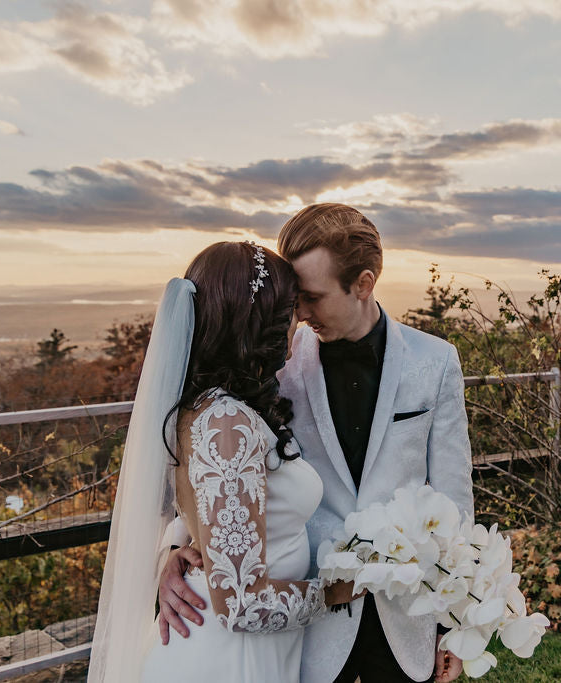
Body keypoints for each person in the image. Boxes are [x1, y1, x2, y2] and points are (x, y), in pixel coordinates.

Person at [159, 204, 474, 682]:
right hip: (303, 625)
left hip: (408, 614)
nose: (300, 314)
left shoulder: (436, 361)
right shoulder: (273, 363)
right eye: (294, 300)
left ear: (363, 284)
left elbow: (455, 498)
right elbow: (211, 468)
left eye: (311, 297)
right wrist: (176, 552)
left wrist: (455, 623)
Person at [88, 241, 357, 682]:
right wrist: (340, 589)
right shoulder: (227, 423)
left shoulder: (210, 406)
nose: (299, 320)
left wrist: (177, 550)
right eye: (289, 308)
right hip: (230, 658)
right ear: (258, 320)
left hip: (251, 649)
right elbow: (241, 605)